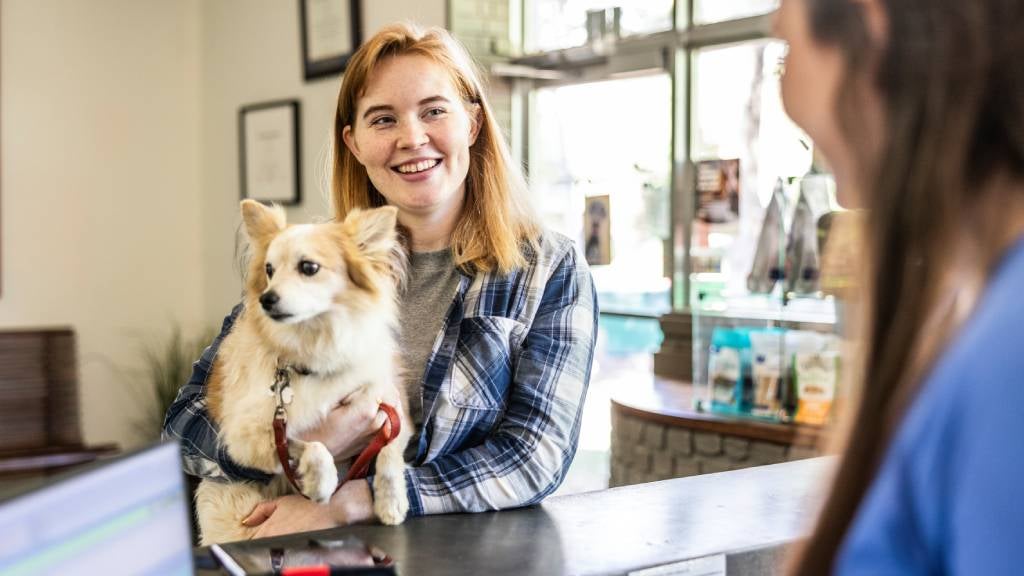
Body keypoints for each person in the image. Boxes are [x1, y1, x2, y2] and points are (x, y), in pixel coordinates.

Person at [163, 23, 598, 539]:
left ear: (474, 124)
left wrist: (355, 502)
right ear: (355, 142)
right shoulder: (307, 261)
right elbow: (184, 425)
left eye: (435, 110)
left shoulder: (548, 269)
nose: (412, 138)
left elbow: (535, 456)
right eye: (383, 118)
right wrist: (298, 446)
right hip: (304, 554)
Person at [775, 0, 1024, 574]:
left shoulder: (1007, 360)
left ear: (873, 23)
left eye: (786, 53)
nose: (786, 96)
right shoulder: (979, 313)